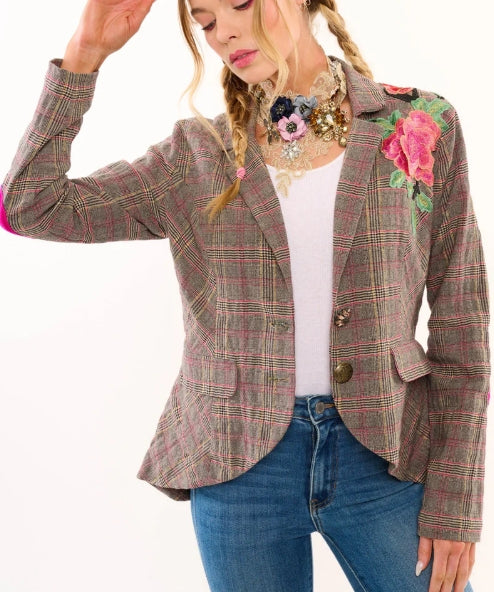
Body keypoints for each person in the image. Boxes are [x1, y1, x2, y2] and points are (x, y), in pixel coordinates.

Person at [1, 0, 490, 591]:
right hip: (239, 464)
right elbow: (28, 206)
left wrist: (456, 501)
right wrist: (83, 58)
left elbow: (463, 321)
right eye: (205, 21)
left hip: (387, 450)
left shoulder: (420, 124)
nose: (224, 32)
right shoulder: (196, 155)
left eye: (239, 4)